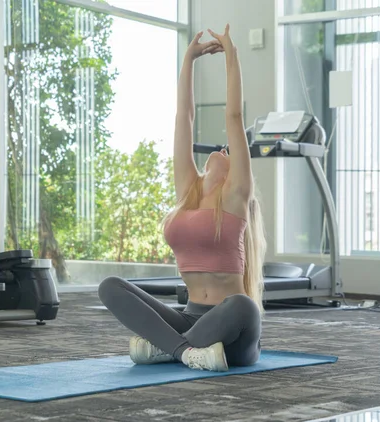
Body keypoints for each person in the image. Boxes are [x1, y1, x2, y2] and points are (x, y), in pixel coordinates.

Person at [98, 24, 267, 372]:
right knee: (110, 287)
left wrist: (231, 57)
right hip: (189, 319)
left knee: (243, 306)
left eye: (229, 151)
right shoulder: (188, 192)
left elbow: (234, 117)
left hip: (232, 332)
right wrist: (188, 60)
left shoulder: (235, 197)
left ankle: (167, 348)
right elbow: (183, 119)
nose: (223, 149)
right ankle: (186, 352)